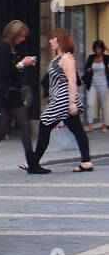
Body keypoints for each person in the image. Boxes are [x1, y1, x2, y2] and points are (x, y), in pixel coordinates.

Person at [22, 27, 93, 174]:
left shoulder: (66, 58)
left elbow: (72, 80)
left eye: (52, 38)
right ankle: (86, 162)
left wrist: (72, 103)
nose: (49, 41)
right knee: (77, 129)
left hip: (62, 100)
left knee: (44, 125)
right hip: (61, 99)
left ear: (59, 40)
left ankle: (33, 163)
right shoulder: (58, 58)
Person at [0, 20, 37, 175]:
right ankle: (32, 164)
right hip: (8, 93)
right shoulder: (3, 48)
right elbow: (3, 72)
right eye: (21, 36)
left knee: (3, 128)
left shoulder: (9, 48)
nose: (23, 39)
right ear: (14, 35)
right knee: (25, 125)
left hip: (10, 92)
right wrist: (22, 64)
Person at [83, 39, 109, 133]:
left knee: (103, 105)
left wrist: (107, 49)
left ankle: (104, 125)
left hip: (103, 84)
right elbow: (86, 68)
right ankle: (90, 125)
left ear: (102, 49)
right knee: (90, 104)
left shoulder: (106, 58)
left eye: (99, 49)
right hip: (92, 84)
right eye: (96, 49)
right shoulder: (91, 57)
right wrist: (89, 70)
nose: (97, 51)